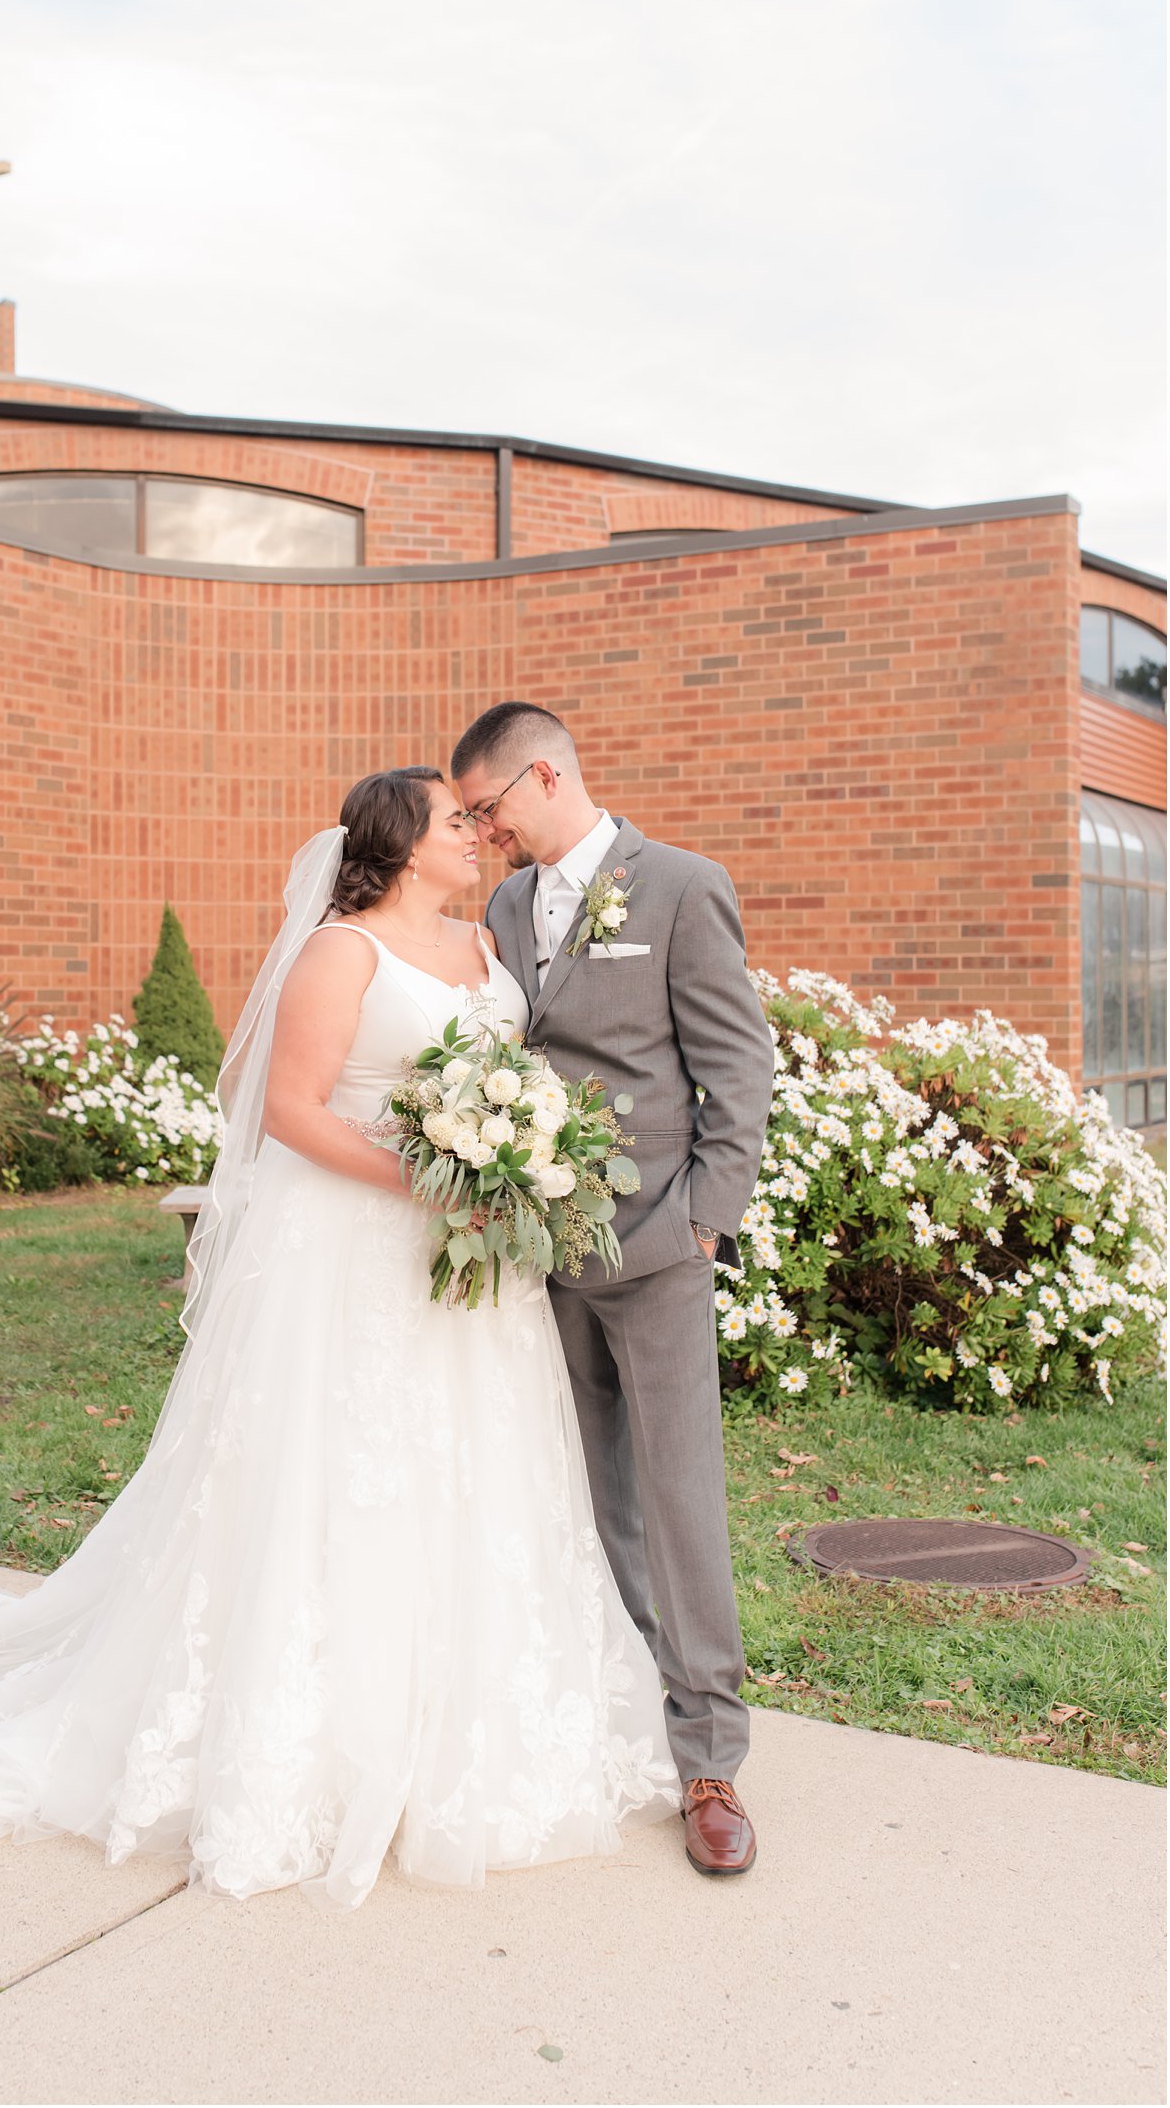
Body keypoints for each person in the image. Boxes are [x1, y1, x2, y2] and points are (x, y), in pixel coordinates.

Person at [0, 769, 679, 1912]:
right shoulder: (339, 954)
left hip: (471, 1271)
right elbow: (290, 1109)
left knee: (471, 1478)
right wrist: (429, 1185)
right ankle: (317, 1739)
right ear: (402, 846)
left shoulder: (485, 949)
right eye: (456, 822)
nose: (476, 835)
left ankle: (463, 1729)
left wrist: (509, 1166)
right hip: (358, 1255)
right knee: (334, 1481)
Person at [451, 704, 775, 1878]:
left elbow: (737, 1065)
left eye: (488, 808)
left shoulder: (681, 887)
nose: (481, 835)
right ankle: (621, 1717)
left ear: (544, 774)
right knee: (583, 1501)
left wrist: (700, 1222)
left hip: (654, 1253)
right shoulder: (497, 908)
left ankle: (707, 1763)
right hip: (535, 1263)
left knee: (678, 1503)